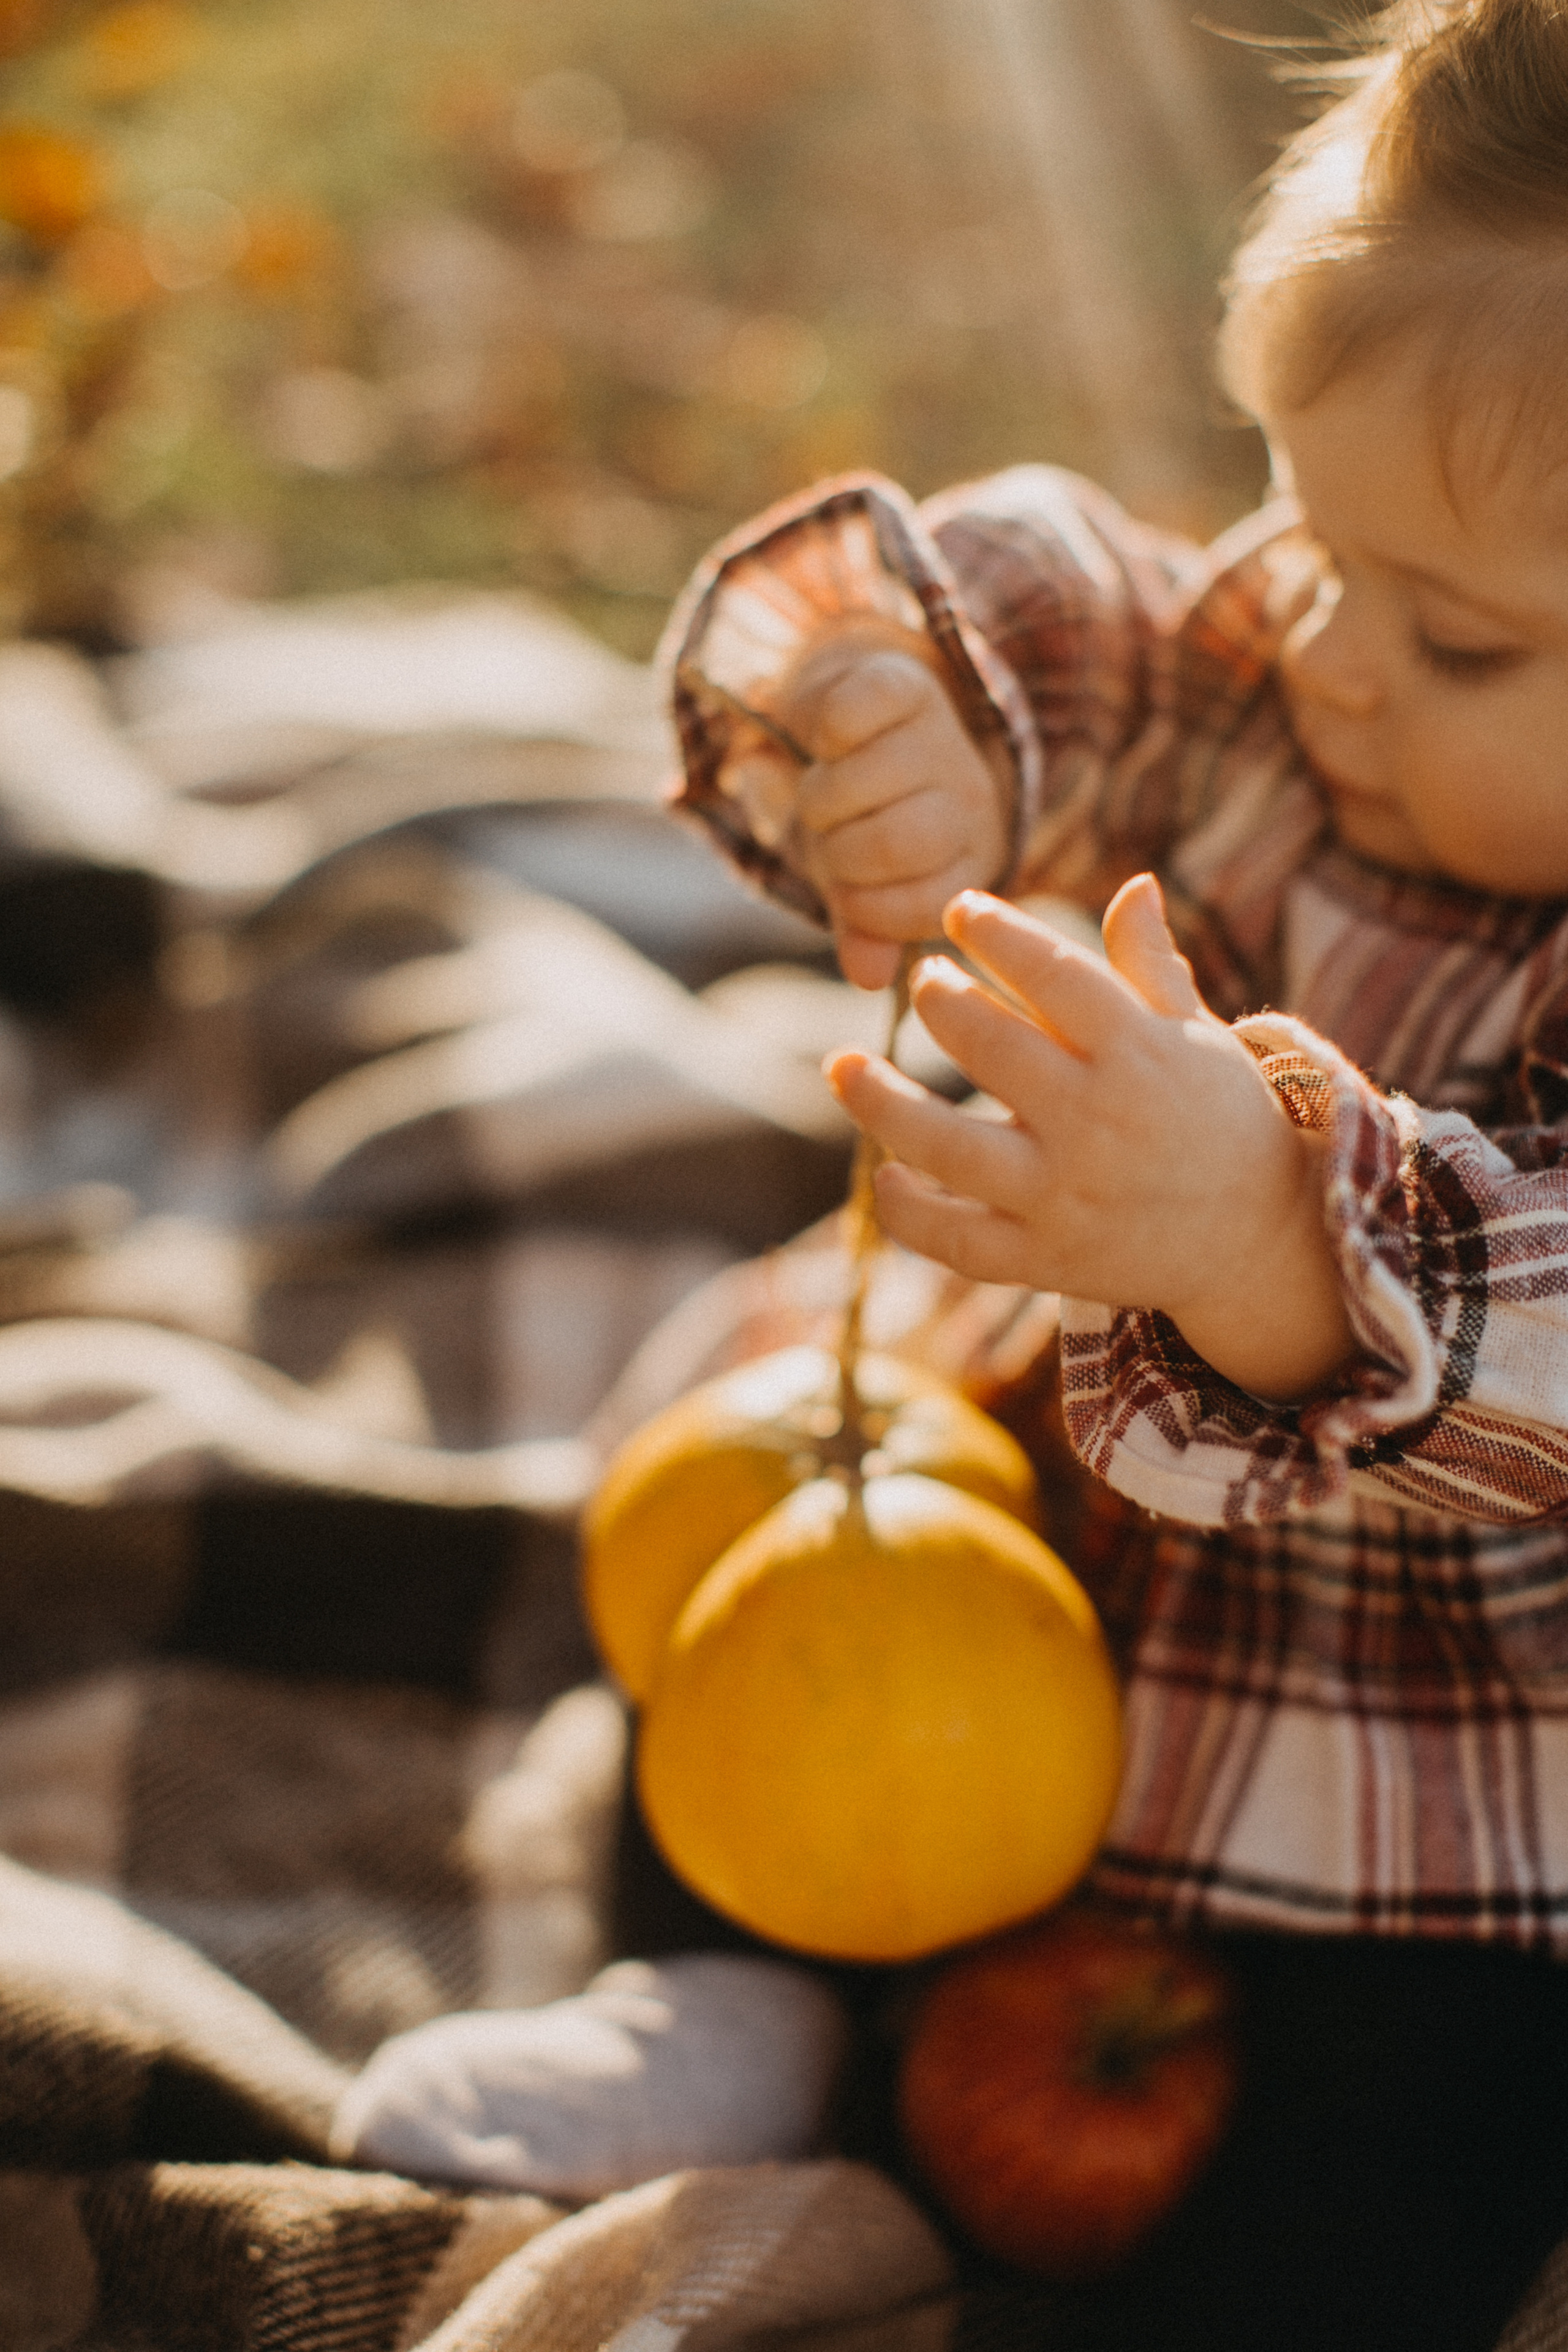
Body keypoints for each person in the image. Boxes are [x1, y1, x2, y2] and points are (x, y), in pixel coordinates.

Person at [662, 4, 1568, 2344]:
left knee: (1387, 2189)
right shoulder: (1299, 667)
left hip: (1431, 1838)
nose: (1333, 655)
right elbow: (1113, 613)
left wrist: (1275, 1233)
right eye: (1308, 521)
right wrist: (925, 725)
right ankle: (710, 2007)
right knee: (749, 1696)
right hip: (1025, 1615)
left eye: (1454, 635)